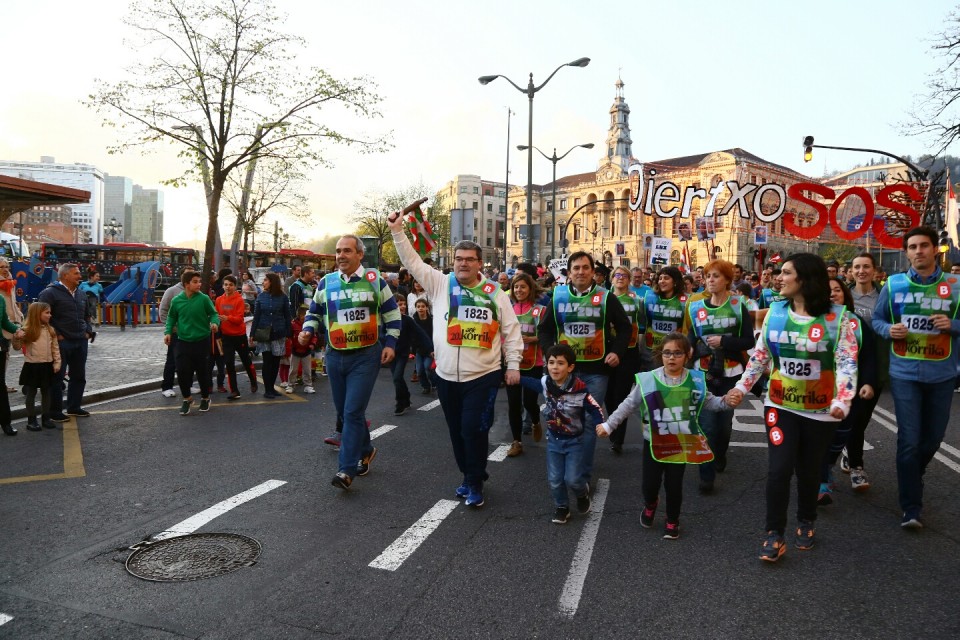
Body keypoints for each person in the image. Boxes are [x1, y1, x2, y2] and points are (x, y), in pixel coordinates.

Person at [726, 253, 857, 562]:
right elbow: (760, 357)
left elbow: (847, 363)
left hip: (821, 411)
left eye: (786, 273)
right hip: (780, 405)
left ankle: (806, 520)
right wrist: (741, 387)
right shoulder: (774, 313)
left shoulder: (839, 319)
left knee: (809, 471)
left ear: (805, 279)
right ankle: (774, 533)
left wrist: (842, 400)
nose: (778, 278)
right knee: (779, 469)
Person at [389, 212, 521, 507]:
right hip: (446, 376)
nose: (463, 263)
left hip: (483, 376)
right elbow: (413, 262)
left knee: (473, 428)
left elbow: (510, 331)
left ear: (479, 263)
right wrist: (397, 231)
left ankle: (475, 481)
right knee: (457, 431)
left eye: (469, 259)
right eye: (459, 258)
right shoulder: (440, 284)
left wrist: (512, 364)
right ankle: (469, 475)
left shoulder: (494, 293)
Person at [598, 333, 729, 539]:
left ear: (687, 355)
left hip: (680, 444)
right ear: (661, 355)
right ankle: (651, 503)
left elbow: (711, 402)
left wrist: (728, 401)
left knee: (674, 485)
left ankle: (672, 519)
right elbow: (627, 405)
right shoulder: (649, 379)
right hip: (653, 443)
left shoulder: (695, 380)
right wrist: (609, 425)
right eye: (667, 353)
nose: (672, 358)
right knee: (649, 485)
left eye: (677, 353)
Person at [872, 226, 960, 528]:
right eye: (912, 247)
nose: (918, 251)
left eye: (924, 246)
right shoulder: (893, 285)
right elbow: (877, 319)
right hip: (904, 372)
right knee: (909, 440)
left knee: (933, 439)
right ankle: (911, 506)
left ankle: (912, 474)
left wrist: (953, 324)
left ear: (935, 249)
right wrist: (888, 330)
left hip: (943, 373)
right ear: (907, 252)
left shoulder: (956, 285)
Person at [300, 235, 400, 490]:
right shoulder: (326, 282)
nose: (341, 256)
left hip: (365, 356)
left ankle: (346, 470)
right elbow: (314, 312)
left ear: (359, 255)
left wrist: (390, 343)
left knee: (353, 411)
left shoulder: (375, 280)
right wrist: (308, 330)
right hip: (335, 355)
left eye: (346, 251)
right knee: (345, 413)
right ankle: (366, 450)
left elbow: (392, 314)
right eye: (338, 251)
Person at [538, 251, 632, 493]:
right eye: (576, 268)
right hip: (564, 373)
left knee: (590, 421)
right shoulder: (557, 296)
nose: (581, 272)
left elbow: (624, 327)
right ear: (568, 272)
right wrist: (552, 355)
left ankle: (582, 474)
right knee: (566, 420)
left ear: (593, 272)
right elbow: (545, 330)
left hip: (596, 370)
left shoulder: (607, 297)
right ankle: (565, 466)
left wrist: (618, 352)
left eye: (585, 267)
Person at [684, 259, 755, 493]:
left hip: (730, 373)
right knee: (707, 425)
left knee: (723, 425)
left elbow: (748, 340)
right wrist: (689, 349)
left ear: (727, 280)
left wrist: (724, 341)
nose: (710, 280)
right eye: (707, 276)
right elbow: (692, 337)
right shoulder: (696, 307)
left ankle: (720, 454)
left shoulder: (738, 305)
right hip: (702, 372)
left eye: (715, 276)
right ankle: (706, 475)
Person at [519, 344, 603, 524]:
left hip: (575, 441)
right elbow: (531, 383)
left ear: (570, 367)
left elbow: (595, 408)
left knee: (572, 479)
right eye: (551, 363)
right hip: (554, 441)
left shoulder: (580, 389)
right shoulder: (546, 383)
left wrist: (600, 424)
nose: (555, 367)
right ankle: (562, 507)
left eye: (560, 363)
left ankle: (582, 493)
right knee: (555, 479)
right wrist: (515, 377)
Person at [817, 276, 879, 505]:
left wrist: (868, 383)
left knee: (841, 434)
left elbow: (869, 357)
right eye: (827, 290)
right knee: (820, 437)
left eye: (837, 290)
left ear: (845, 294)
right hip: (817, 390)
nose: (832, 294)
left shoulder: (856, 323)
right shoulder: (811, 320)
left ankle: (829, 464)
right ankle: (821, 481)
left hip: (849, 392)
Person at [838, 253, 887, 490]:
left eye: (866, 266)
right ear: (851, 271)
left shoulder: (884, 296)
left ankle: (849, 451)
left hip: (873, 366)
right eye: (856, 267)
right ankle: (857, 467)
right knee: (852, 421)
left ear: (875, 271)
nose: (861, 271)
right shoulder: (842, 295)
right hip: (844, 368)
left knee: (862, 420)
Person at [38, 263, 94, 422]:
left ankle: (74, 407)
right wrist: (57, 334)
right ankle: (55, 411)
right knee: (57, 377)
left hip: (80, 342)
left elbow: (87, 316)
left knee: (79, 376)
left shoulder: (81, 294)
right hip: (61, 343)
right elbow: (41, 317)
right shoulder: (49, 294)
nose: (80, 276)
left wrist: (88, 331)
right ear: (65, 276)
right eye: (76, 273)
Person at [164, 270, 220, 415]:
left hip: (202, 340)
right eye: (195, 282)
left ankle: (205, 398)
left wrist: (214, 323)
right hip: (183, 341)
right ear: (186, 284)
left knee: (202, 372)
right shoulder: (177, 300)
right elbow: (171, 318)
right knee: (182, 371)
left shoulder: (204, 299)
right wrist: (168, 332)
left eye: (199, 281)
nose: (199, 284)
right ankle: (187, 399)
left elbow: (213, 314)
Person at [607, 266, 645, 454]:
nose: (620, 278)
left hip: (629, 353)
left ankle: (618, 439)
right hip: (607, 352)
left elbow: (644, 324)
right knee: (608, 395)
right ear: (612, 279)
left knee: (621, 395)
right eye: (617, 275)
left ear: (629, 280)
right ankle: (613, 425)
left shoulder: (637, 301)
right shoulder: (605, 299)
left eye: (624, 275)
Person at [505, 272, 544, 456]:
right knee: (513, 404)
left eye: (522, 287)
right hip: (512, 363)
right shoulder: (508, 310)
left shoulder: (539, 310)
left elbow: (546, 336)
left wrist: (531, 338)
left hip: (533, 363)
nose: (519, 290)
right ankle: (516, 441)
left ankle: (536, 420)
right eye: (516, 287)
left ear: (530, 289)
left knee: (529, 402)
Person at [215, 275, 258, 400]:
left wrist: (227, 318)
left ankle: (253, 381)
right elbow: (216, 316)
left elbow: (239, 319)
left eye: (231, 285)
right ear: (223, 285)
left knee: (246, 360)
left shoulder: (239, 300)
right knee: (229, 363)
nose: (228, 287)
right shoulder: (219, 300)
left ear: (235, 286)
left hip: (239, 336)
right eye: (226, 284)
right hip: (226, 336)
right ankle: (234, 390)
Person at [19, 302, 60, 431]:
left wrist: (57, 362)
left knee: (46, 392)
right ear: (37, 314)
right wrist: (16, 337)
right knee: (31, 392)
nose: (50, 315)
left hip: (47, 365)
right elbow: (17, 346)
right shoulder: (27, 330)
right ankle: (31, 419)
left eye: (50, 312)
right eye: (47, 312)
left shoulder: (50, 329)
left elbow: (55, 348)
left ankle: (46, 417)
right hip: (32, 365)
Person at [252, 271, 292, 399]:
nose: (263, 282)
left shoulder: (283, 297)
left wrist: (288, 332)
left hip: (278, 333)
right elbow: (256, 316)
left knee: (275, 362)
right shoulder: (260, 296)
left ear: (272, 282)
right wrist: (252, 333)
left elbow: (287, 316)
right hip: (264, 333)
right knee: (267, 361)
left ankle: (272, 387)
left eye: (265, 280)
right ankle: (267, 389)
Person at [390, 295, 433, 415]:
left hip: (403, 354)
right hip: (391, 355)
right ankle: (407, 398)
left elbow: (421, 334)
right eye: (400, 304)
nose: (403, 307)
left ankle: (400, 404)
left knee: (397, 377)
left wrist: (430, 348)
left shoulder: (408, 320)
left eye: (404, 304)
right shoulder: (386, 320)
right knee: (397, 379)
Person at [643, 266, 687, 368]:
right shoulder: (649, 297)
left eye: (666, 278)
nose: (662, 281)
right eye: (660, 278)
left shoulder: (685, 301)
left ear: (675, 281)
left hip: (675, 350)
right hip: (652, 349)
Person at [0, 258, 24, 393]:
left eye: (7, 266)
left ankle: (2, 383)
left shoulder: (10, 281)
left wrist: (19, 315)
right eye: (2, 267)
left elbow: (13, 302)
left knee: (6, 356)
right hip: (2, 325)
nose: (5, 269)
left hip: (11, 324)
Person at [159, 277, 185, 398]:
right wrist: (171, 328)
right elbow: (163, 311)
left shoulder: (197, 294)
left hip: (189, 333)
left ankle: (187, 385)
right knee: (172, 360)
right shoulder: (172, 291)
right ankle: (167, 386)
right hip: (175, 333)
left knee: (187, 361)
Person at [289, 304, 317, 395]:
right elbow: (290, 336)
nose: (304, 318)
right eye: (303, 315)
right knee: (293, 369)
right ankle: (291, 385)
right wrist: (290, 345)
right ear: (299, 315)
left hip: (306, 351)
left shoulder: (310, 326)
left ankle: (308, 385)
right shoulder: (293, 324)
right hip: (295, 350)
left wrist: (312, 344)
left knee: (307, 370)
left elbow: (314, 336)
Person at [411, 299, 437, 393]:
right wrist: (411, 351)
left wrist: (434, 349)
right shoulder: (413, 322)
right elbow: (412, 337)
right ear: (416, 308)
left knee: (428, 368)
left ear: (427, 308)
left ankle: (434, 382)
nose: (420, 308)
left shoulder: (432, 321)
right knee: (419, 371)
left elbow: (435, 335)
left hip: (430, 350)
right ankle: (425, 386)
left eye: (423, 306)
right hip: (419, 350)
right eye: (418, 307)